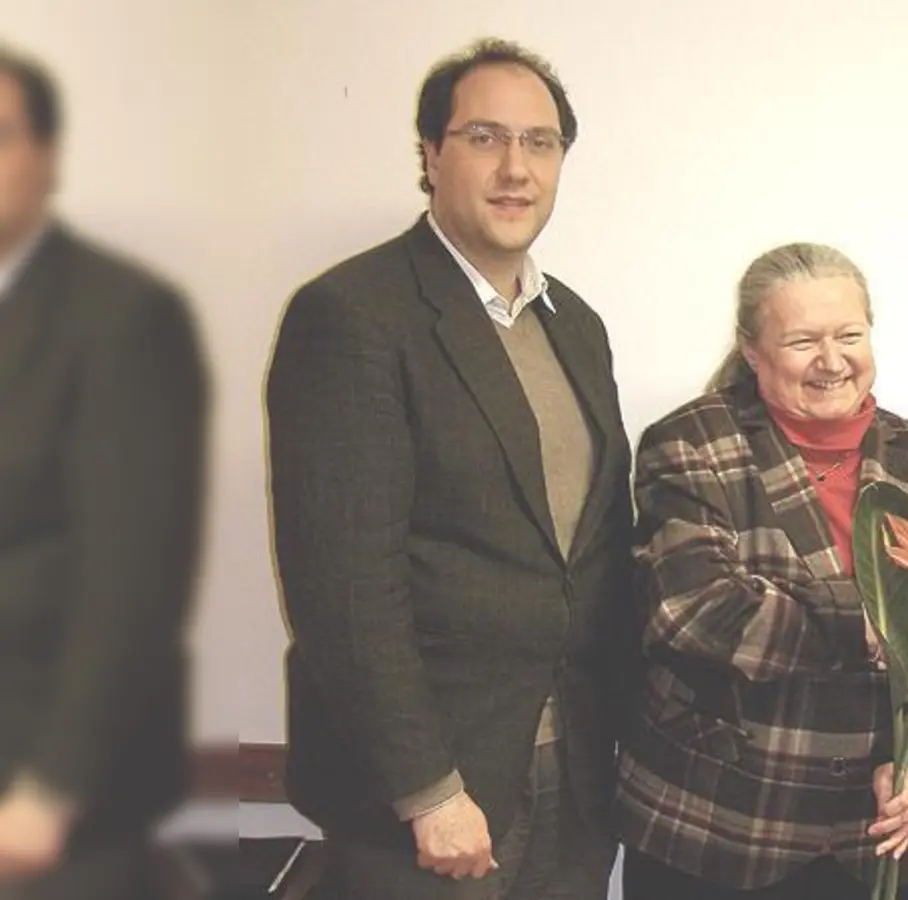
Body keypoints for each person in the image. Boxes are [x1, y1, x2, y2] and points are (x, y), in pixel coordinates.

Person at [267, 39, 636, 900]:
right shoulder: (354, 315)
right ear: (430, 155)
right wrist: (427, 790)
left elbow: (596, 553)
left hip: (575, 778)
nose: (516, 168)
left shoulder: (574, 324)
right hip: (431, 801)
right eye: (483, 137)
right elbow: (345, 588)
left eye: (540, 143)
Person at [614, 242, 908, 900]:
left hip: (879, 846)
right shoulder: (689, 444)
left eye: (850, 334)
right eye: (801, 341)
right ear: (752, 350)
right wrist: (880, 630)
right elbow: (696, 611)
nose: (832, 360)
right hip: (719, 838)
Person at [0, 45, 208, 900]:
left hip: (47, 799)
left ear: (46, 159)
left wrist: (51, 791)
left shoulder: (122, 319)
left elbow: (129, 584)